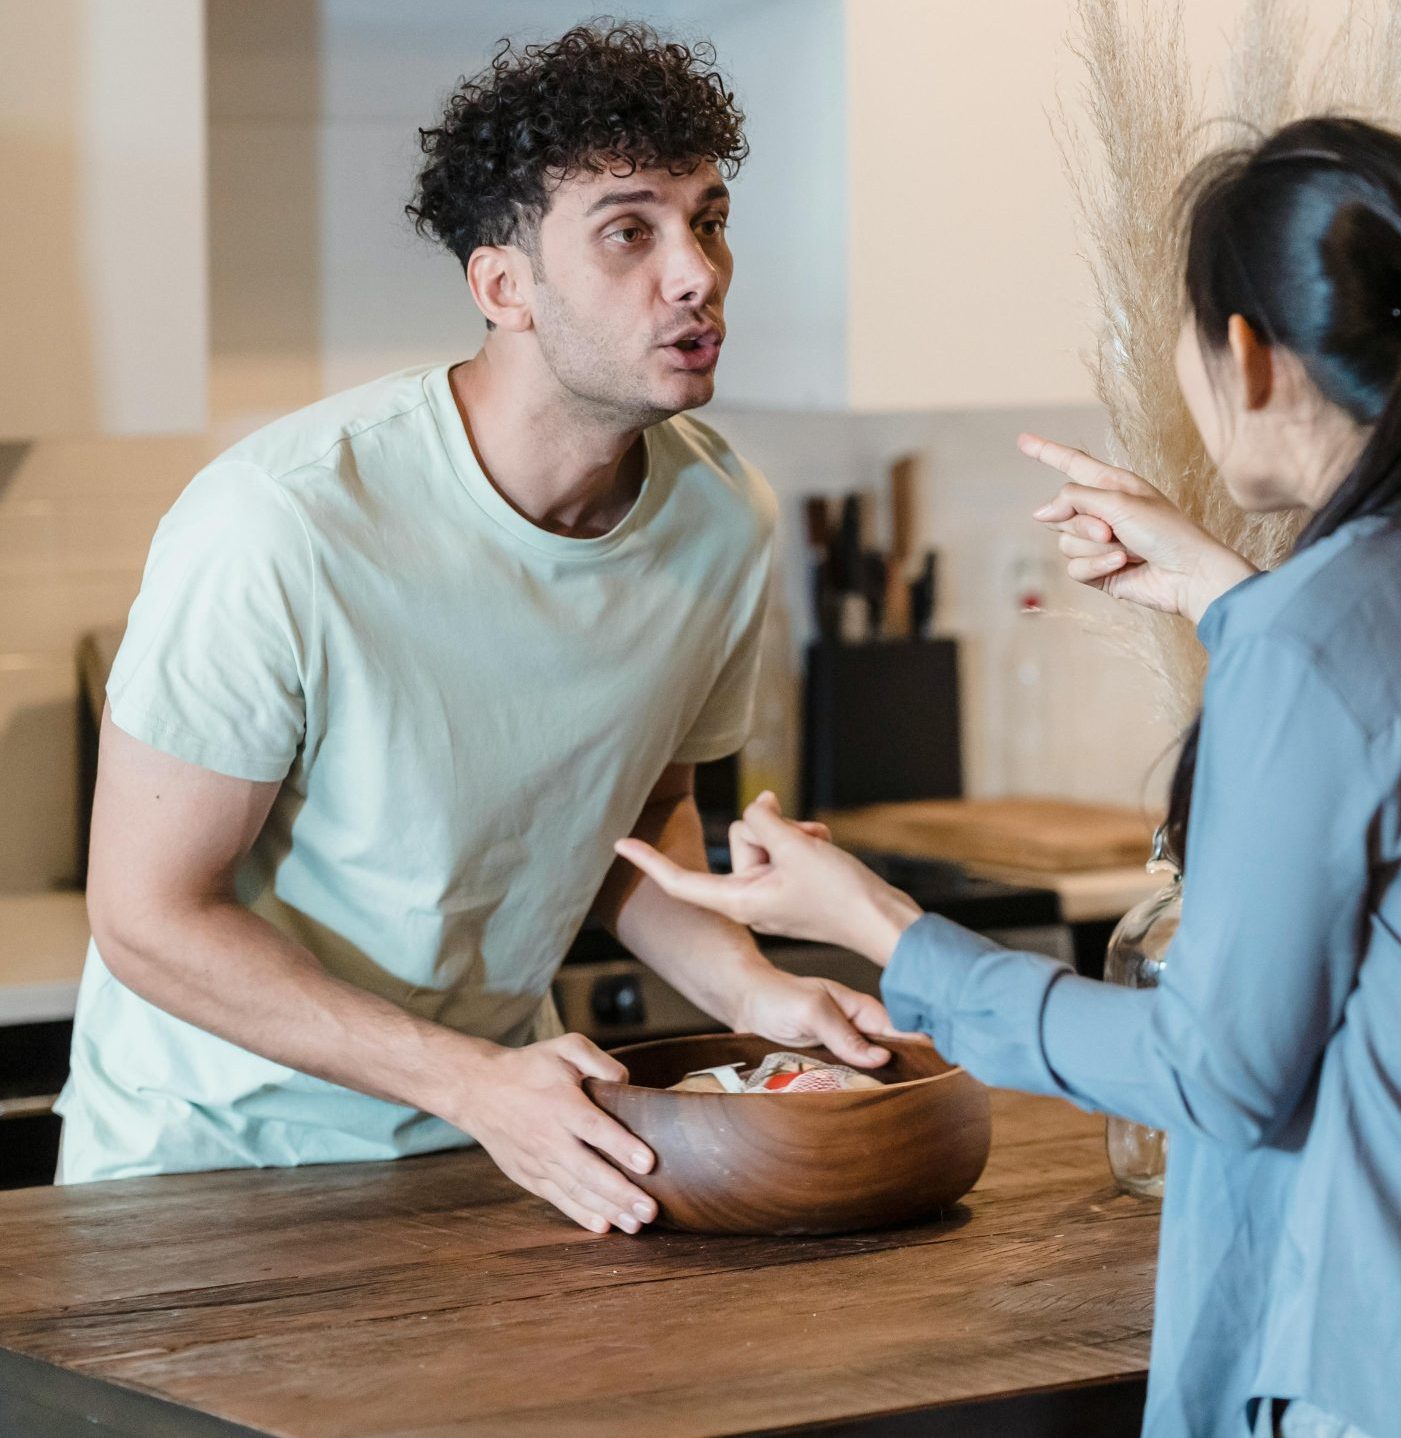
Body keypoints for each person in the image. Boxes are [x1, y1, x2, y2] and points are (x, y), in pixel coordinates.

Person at [617, 117, 1401, 1436]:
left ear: (1246, 353)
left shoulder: (1320, 642)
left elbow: (1215, 1074)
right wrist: (1225, 592)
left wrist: (882, 927)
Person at [57, 22, 894, 1236]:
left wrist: (754, 990)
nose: (697, 274)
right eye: (630, 232)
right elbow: (148, 918)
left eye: (708, 220)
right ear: (503, 287)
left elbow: (633, 823)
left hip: (498, 1148)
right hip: (206, 1169)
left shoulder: (723, 517)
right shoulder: (281, 523)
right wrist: (469, 1081)